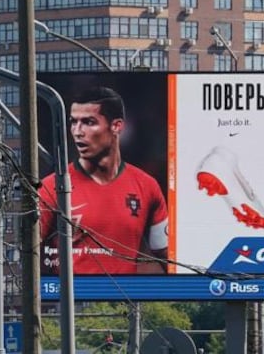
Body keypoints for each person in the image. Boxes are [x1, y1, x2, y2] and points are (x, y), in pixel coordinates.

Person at [39, 86, 168, 274]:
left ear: (116, 126)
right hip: (70, 301)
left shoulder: (147, 186)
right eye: (73, 122)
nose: (77, 131)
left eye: (89, 122)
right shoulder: (51, 187)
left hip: (128, 300)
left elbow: (168, 259)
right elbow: (28, 257)